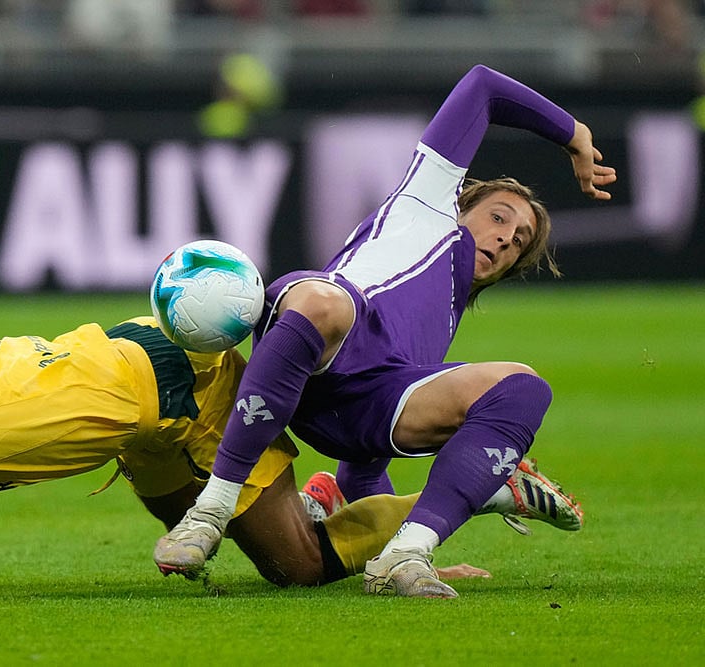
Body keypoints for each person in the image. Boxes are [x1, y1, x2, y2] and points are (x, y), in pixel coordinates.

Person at [154, 64, 614, 598]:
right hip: (312, 330)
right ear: (464, 203)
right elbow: (483, 88)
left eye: (519, 240)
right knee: (326, 302)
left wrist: (383, 530)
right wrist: (574, 135)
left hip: (356, 406)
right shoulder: (427, 205)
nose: (507, 237)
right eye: (499, 217)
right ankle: (208, 514)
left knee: (522, 387)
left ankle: (409, 554)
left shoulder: (437, 324)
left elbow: (365, 472)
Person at [0, 316, 571, 598]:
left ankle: (472, 485)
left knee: (296, 568)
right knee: (183, 520)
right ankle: (314, 501)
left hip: (178, 390)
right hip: (137, 398)